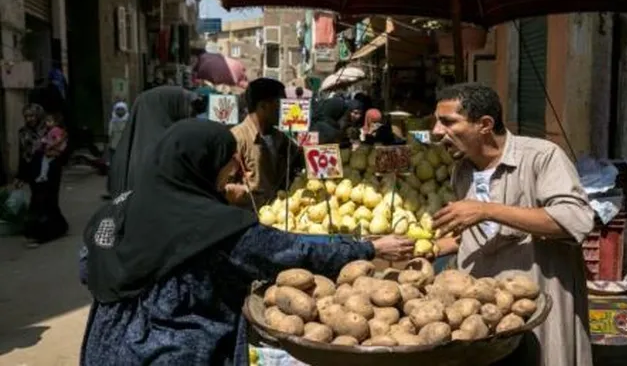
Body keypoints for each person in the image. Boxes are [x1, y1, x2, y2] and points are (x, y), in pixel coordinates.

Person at [79, 120, 414, 365]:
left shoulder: (114, 211)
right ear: (202, 164)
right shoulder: (211, 227)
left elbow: (87, 269)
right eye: (227, 161)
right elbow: (291, 251)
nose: (234, 171)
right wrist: (367, 247)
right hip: (174, 353)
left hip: (104, 348)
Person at [430, 83, 594, 366]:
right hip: (483, 316)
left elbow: (575, 219)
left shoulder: (541, 157)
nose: (436, 131)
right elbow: (483, 235)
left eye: (447, 122)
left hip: (535, 304)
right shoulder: (463, 170)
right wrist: (432, 248)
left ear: (484, 124)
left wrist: (487, 210)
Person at [223, 78, 302, 210]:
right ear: (263, 106)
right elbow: (223, 185)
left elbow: (302, 159)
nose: (285, 110)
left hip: (278, 216)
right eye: (280, 104)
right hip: (249, 219)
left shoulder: (280, 137)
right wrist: (244, 192)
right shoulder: (237, 138)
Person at [108, 86, 197, 197]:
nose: (191, 111)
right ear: (167, 108)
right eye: (183, 105)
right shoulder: (167, 147)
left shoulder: (126, 149)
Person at [14, 104, 68, 247]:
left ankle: (44, 233)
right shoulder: (23, 132)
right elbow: (23, 154)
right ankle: (55, 227)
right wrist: (20, 176)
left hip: (50, 168)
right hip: (33, 170)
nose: (30, 119)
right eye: (27, 116)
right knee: (38, 199)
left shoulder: (49, 129)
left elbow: (62, 145)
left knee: (47, 199)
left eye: (32, 115)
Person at [35, 112, 68, 183]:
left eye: (49, 121)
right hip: (53, 151)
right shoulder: (51, 130)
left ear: (55, 122)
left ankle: (43, 175)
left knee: (45, 161)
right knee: (46, 161)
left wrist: (49, 145)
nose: (47, 123)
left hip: (54, 150)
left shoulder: (55, 130)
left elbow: (58, 140)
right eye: (46, 121)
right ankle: (43, 175)